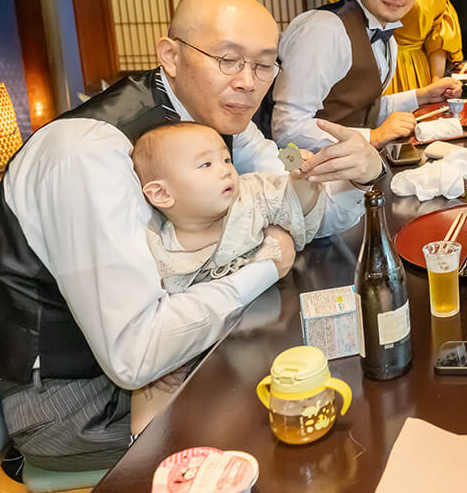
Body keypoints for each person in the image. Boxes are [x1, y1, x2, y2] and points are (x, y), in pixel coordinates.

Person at [0, 0, 384, 470]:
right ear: (170, 56)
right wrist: (266, 263)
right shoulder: (87, 155)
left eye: (264, 65)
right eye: (228, 59)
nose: (248, 83)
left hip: (176, 356)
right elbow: (136, 354)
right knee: (310, 418)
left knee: (332, 369)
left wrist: (365, 175)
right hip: (78, 401)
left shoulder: (221, 124)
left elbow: (298, 209)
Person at [128, 121, 326, 432]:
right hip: (204, 358)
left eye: (226, 160)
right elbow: (158, 322)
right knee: (156, 399)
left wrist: (303, 180)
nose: (225, 170)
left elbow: (291, 203)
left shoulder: (251, 198)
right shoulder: (157, 252)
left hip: (271, 328)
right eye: (206, 164)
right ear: (162, 194)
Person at [273, 0, 461, 153]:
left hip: (349, 166)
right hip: (300, 169)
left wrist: (422, 95)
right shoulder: (324, 30)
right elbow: (287, 129)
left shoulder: (387, 36)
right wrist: (372, 136)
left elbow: (364, 111)